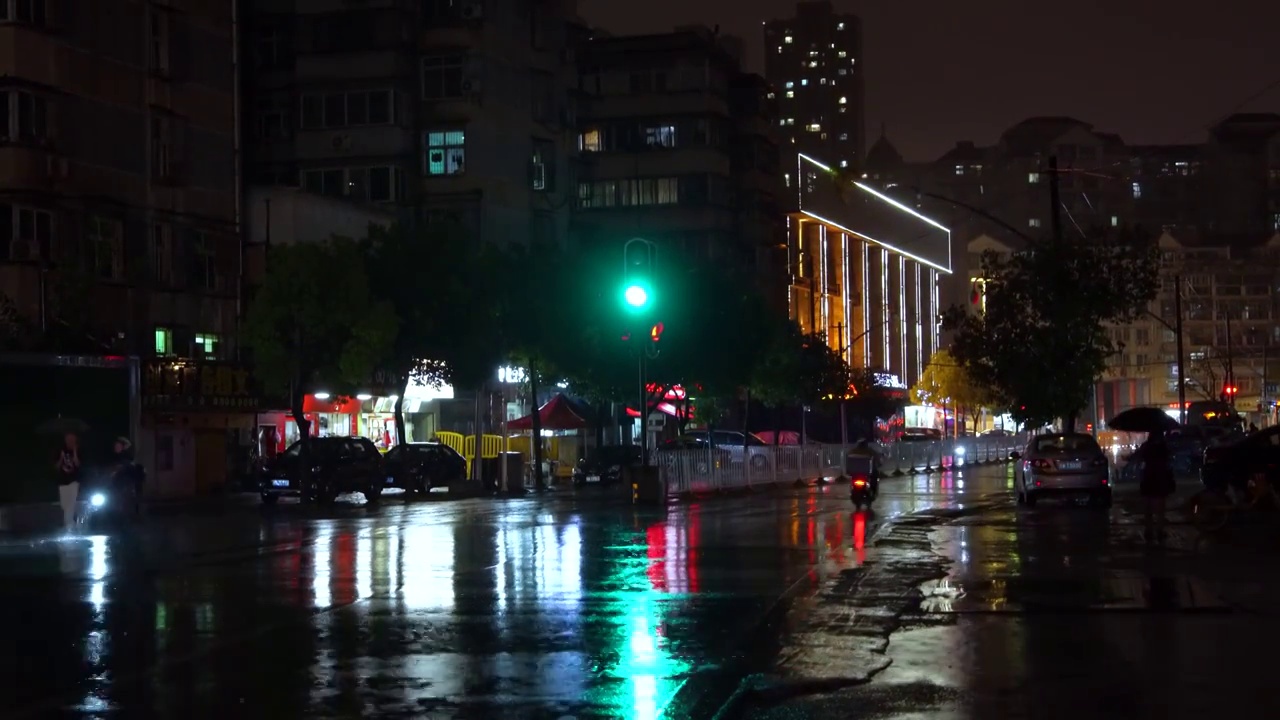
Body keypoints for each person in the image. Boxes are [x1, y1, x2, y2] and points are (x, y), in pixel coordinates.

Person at [1135, 430, 1175, 543]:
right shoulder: (1164, 447)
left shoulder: (1146, 447)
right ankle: (1159, 530)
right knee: (1160, 507)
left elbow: (1139, 458)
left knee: (1148, 506)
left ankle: (1149, 530)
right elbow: (1169, 461)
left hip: (1149, 477)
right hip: (1161, 477)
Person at [53, 432, 82, 530]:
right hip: (62, 481)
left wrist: (75, 452)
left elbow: (78, 464)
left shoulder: (78, 450)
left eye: (72, 439)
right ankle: (70, 522)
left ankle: (69, 525)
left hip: (74, 480)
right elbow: (56, 467)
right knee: (64, 504)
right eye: (68, 439)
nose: (70, 441)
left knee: (71, 503)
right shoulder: (60, 450)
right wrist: (61, 458)